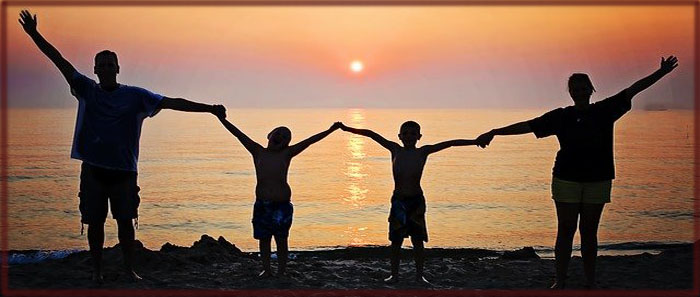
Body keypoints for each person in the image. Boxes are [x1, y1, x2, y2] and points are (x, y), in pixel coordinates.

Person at [18, 9, 227, 283]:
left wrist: (210, 109)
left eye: (110, 64)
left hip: (124, 172)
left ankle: (129, 270)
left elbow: (172, 102)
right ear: (95, 69)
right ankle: (97, 271)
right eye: (101, 64)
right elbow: (59, 61)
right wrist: (34, 34)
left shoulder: (136, 96)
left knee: (126, 223)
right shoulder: (86, 89)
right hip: (93, 170)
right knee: (94, 223)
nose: (105, 68)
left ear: (118, 68)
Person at [476, 56, 679, 289]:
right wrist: (494, 132)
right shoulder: (561, 116)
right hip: (566, 178)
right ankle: (560, 281)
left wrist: (661, 72)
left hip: (598, 178)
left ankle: (590, 282)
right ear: (570, 92)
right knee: (565, 230)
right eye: (576, 89)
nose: (580, 92)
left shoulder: (605, 110)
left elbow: (633, 89)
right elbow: (529, 126)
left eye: (584, 88)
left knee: (589, 233)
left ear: (591, 90)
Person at [338, 121, 486, 285]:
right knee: (396, 241)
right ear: (399, 136)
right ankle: (394, 275)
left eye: (413, 134)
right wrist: (346, 129)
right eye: (406, 133)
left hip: (416, 201)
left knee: (417, 240)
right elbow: (372, 134)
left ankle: (419, 276)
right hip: (399, 201)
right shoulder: (395, 149)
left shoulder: (423, 152)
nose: (409, 136)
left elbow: (450, 143)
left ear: (419, 137)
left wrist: (474, 141)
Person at [215, 113, 341, 277]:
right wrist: (221, 118)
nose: (281, 136)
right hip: (263, 205)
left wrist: (330, 130)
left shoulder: (287, 154)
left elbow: (310, 141)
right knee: (264, 239)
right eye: (279, 133)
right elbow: (238, 134)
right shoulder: (257, 151)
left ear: (287, 143)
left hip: (282, 206)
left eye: (286, 136)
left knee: (281, 240)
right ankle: (267, 270)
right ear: (270, 135)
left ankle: (281, 271)